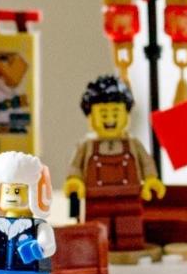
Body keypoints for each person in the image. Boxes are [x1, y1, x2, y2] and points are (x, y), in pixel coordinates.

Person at [64, 75, 164, 253]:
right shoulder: (86, 146)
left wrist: (150, 179)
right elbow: (76, 167)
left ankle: (130, 248)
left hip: (129, 198)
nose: (110, 118)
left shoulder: (133, 144)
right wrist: (75, 181)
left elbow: (146, 163)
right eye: (103, 113)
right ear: (90, 117)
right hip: (96, 200)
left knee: (130, 228)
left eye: (115, 112)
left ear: (127, 115)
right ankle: (99, 252)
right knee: (98, 231)